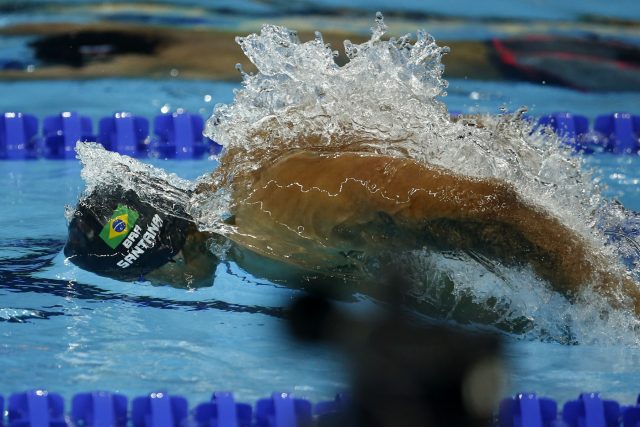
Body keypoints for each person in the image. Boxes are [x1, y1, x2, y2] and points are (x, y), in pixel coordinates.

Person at [64, 143, 640, 316]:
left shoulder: (279, 208)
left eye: (141, 278)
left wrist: (617, 302)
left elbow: (493, 207)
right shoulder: (239, 230)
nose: (156, 288)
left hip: (599, 251)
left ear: (159, 258)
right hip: (574, 251)